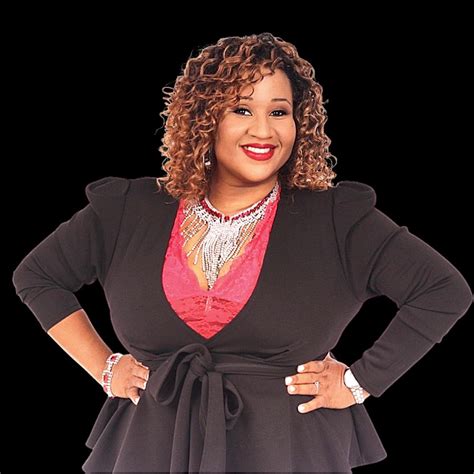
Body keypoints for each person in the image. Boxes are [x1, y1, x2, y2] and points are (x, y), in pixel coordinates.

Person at [11, 32, 472, 473]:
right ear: (204, 118)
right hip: (149, 446)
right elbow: (37, 276)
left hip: (288, 451)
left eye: (279, 111)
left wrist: (359, 382)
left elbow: (442, 290)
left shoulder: (339, 219)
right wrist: (104, 367)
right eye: (241, 109)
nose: (263, 130)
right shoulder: (127, 210)